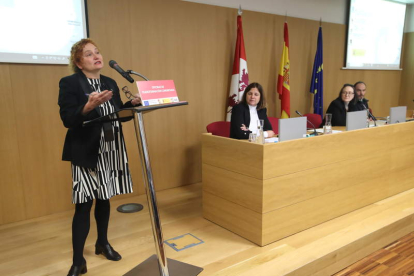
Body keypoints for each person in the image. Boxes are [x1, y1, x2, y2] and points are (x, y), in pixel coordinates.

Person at [58, 38, 141, 276]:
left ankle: (102, 243)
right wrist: (87, 106)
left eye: (97, 52)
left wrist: (131, 105)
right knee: (83, 205)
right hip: (86, 150)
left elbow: (118, 116)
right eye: (88, 54)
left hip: (111, 150)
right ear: (79, 62)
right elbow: (68, 119)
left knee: (104, 199)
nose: (96, 56)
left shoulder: (110, 81)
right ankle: (77, 261)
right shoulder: (70, 83)